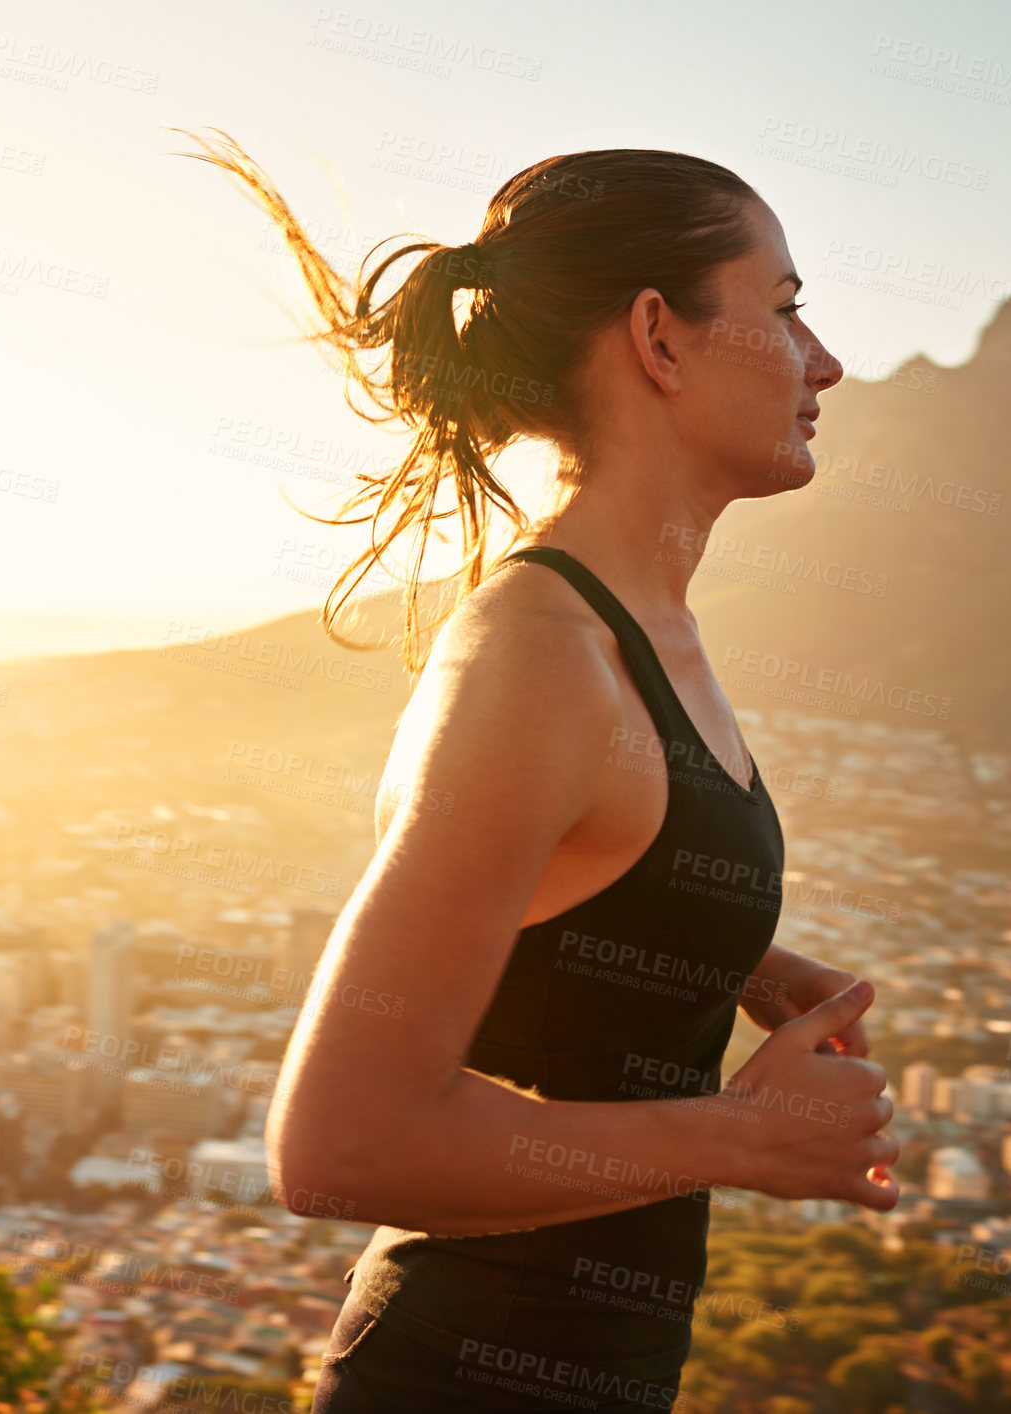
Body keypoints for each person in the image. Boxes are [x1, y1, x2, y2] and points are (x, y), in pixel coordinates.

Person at [178, 134, 900, 1412]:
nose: (826, 360)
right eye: (785, 311)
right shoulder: (540, 657)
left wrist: (718, 951)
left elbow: (566, 883)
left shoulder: (641, 631)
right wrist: (743, 1133)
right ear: (660, 338)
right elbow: (339, 1145)